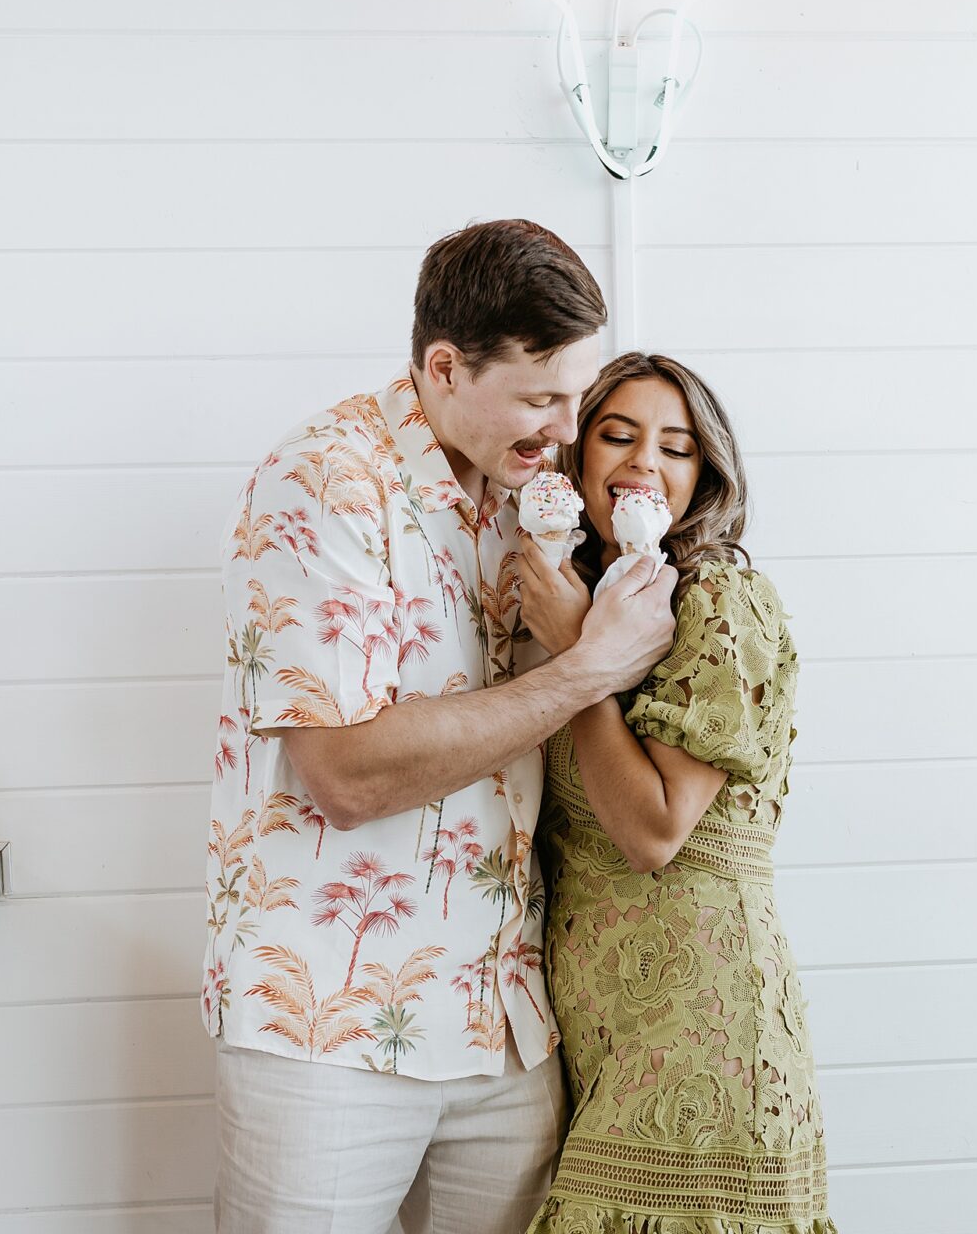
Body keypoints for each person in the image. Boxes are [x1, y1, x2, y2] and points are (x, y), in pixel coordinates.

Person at [202, 221, 680, 1234]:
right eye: (541, 398)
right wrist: (589, 669)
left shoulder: (531, 494)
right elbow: (347, 774)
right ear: (445, 366)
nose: (563, 428)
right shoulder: (325, 480)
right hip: (327, 1027)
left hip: (506, 1020)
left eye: (575, 398)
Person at [518, 352, 838, 1234]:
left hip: (704, 1020)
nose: (641, 463)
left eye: (676, 447)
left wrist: (581, 663)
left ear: (703, 479)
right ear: (576, 458)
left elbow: (654, 831)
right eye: (616, 436)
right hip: (593, 1026)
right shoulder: (571, 591)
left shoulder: (719, 599)